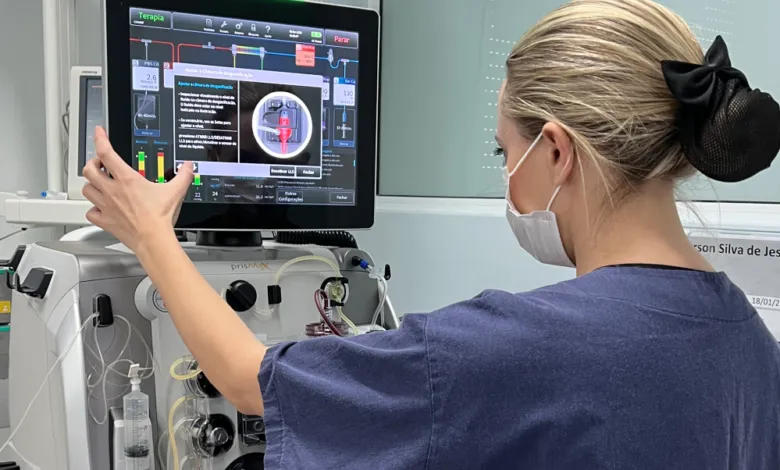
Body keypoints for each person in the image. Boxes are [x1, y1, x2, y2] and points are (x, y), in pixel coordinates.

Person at [82, 0, 780, 468]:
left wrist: (151, 235)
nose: (508, 176)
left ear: (556, 152)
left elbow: (247, 380)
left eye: (505, 152)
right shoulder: (752, 344)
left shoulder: (514, 347)